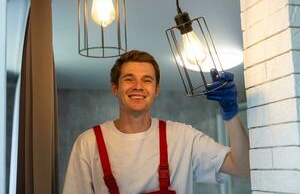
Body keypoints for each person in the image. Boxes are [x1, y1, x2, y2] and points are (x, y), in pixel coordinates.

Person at [63, 50, 250, 194]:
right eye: (129, 79)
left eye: (147, 80)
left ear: (156, 89)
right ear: (115, 88)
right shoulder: (88, 143)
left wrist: (231, 113)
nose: (138, 86)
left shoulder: (182, 137)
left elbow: (243, 167)